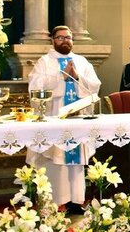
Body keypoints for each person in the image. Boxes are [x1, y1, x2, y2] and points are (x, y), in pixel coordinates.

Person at [27, 26, 102, 214]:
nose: (65, 41)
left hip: (77, 119)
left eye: (68, 37)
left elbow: (95, 85)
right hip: (55, 118)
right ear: (52, 40)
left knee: (75, 164)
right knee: (55, 162)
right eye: (60, 38)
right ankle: (53, 203)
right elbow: (35, 87)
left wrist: (76, 77)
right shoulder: (44, 62)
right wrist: (61, 76)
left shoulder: (81, 61)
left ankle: (75, 202)